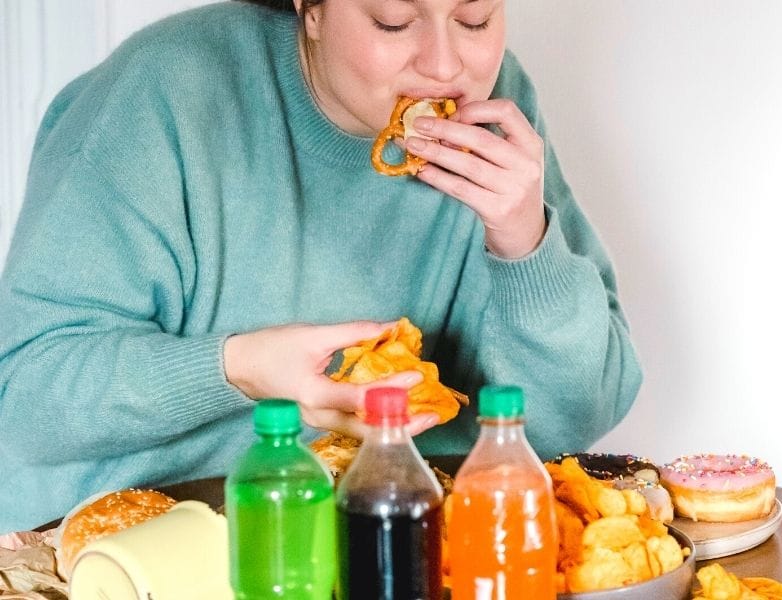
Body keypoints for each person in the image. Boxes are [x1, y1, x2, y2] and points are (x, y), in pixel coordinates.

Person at [0, 0, 642, 532]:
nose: (446, 66)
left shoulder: (499, 110)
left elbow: (579, 413)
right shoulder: (165, 92)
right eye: (393, 21)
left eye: (475, 18)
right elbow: (24, 395)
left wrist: (524, 239)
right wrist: (242, 368)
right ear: (309, 9)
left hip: (379, 541)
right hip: (119, 544)